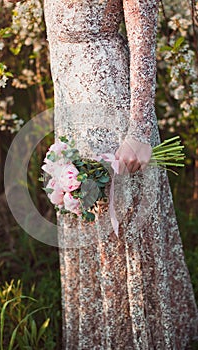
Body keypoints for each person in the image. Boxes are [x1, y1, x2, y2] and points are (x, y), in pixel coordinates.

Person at [43, 1, 198, 349]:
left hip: (110, 103)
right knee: (82, 209)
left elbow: (142, 36)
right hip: (69, 102)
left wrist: (139, 130)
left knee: (120, 225)